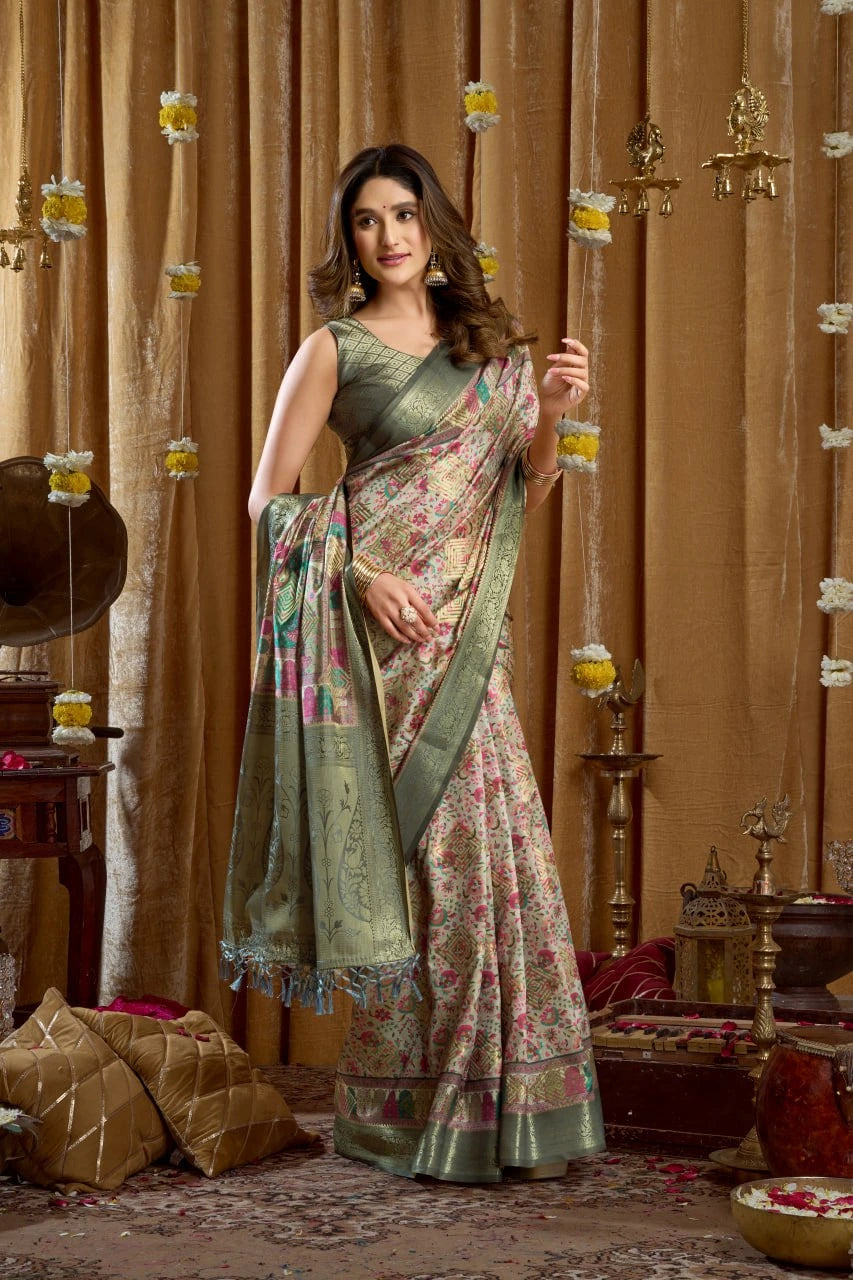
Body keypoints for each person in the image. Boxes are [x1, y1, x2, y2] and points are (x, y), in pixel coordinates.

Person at [222, 143, 605, 1183]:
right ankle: (402, 1113)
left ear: (434, 223)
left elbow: (516, 491)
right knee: (417, 874)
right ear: (348, 239)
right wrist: (356, 580)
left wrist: (555, 415)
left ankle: (500, 1108)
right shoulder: (332, 349)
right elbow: (269, 502)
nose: (388, 237)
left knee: (488, 866)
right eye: (366, 220)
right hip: (369, 647)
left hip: (463, 643)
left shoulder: (489, 347)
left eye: (404, 214)